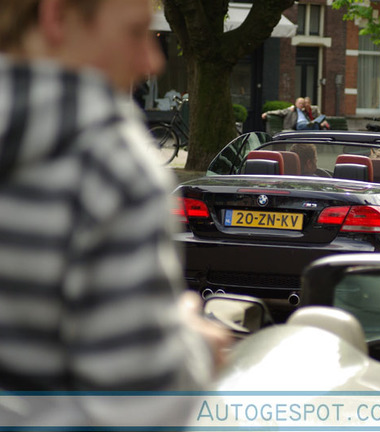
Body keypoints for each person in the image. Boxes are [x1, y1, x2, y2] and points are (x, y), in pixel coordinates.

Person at [0, 0, 228, 426]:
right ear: (56, 16)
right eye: (134, 31)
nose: (152, 61)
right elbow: (141, 408)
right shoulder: (109, 166)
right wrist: (192, 344)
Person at [262, 97, 329, 130]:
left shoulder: (304, 111)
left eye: (302, 104)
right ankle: (313, 123)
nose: (301, 105)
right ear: (296, 103)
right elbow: (279, 112)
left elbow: (312, 110)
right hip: (299, 125)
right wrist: (267, 113)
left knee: (321, 118)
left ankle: (314, 124)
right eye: (299, 103)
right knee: (314, 125)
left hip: (308, 124)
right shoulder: (291, 110)